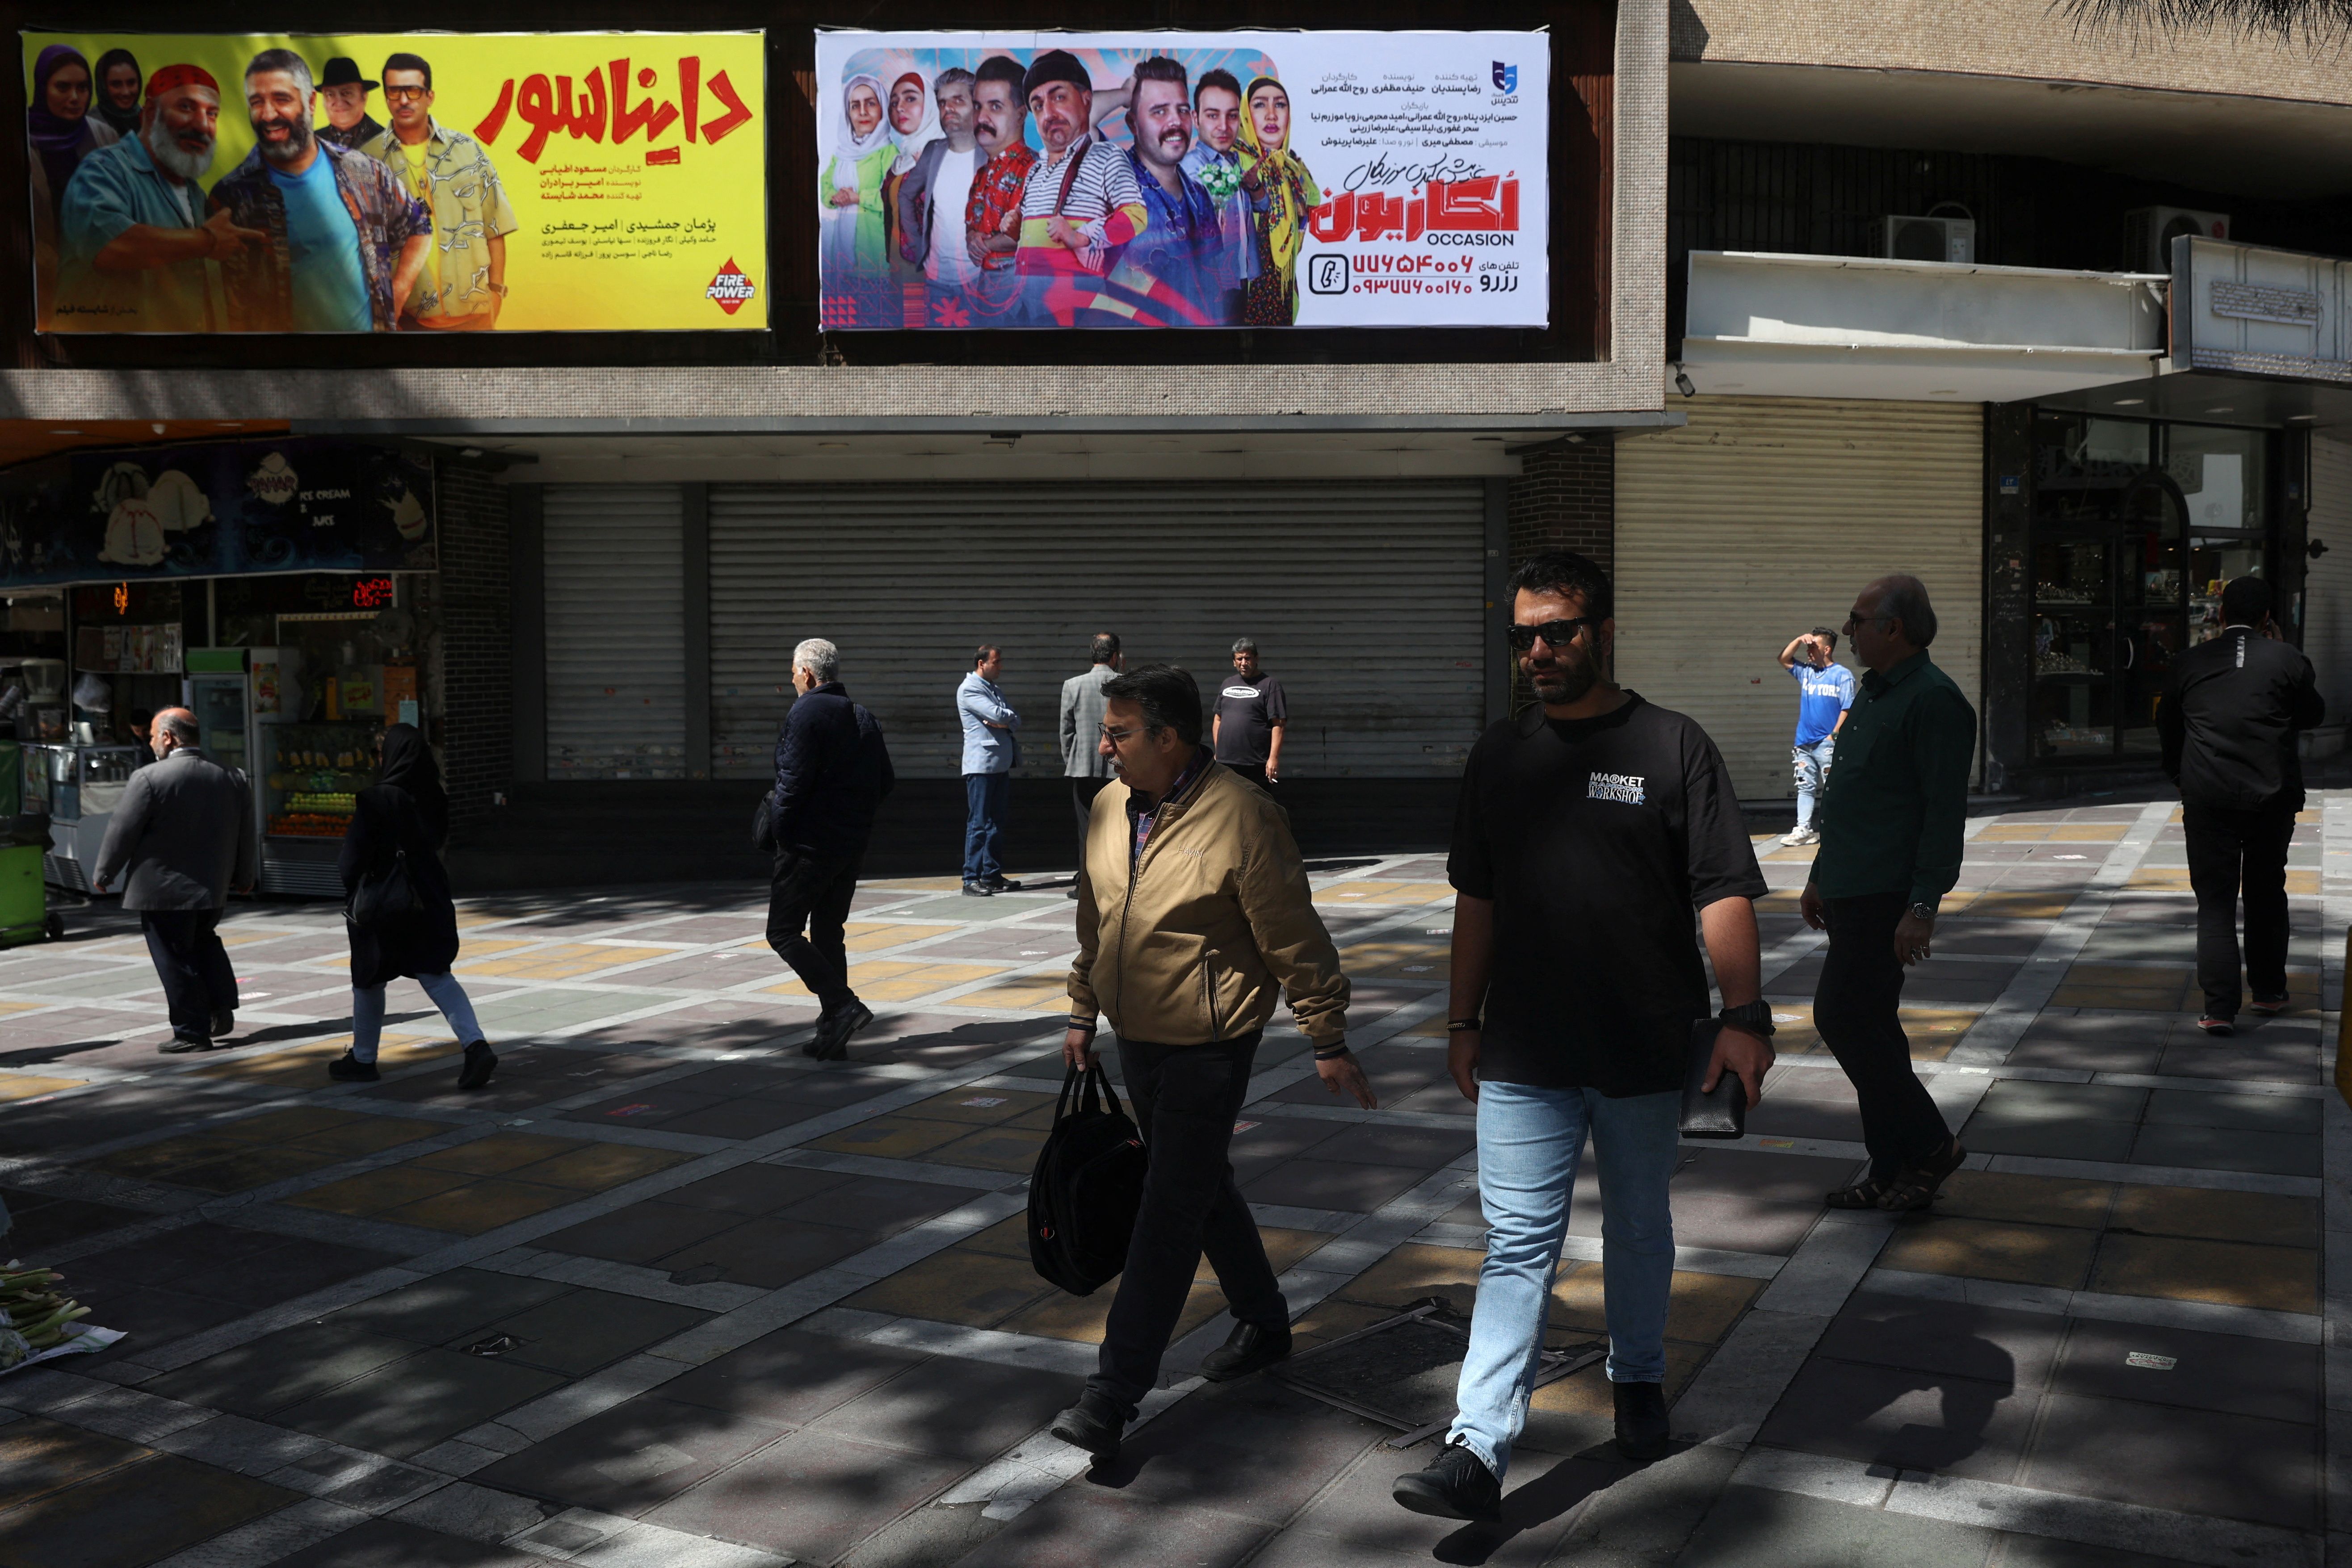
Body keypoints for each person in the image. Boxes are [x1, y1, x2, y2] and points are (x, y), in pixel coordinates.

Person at [1390, 552, 1772, 1522]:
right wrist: (1461, 1020)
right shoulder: (1499, 755)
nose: (1538, 651)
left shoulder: (1671, 744)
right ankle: (1476, 1446)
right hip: (1524, 1047)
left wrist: (1743, 1016)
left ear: (1602, 632)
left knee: (1638, 1227)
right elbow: (1475, 900)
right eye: (1522, 635)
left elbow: (1721, 888)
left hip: (1646, 1044)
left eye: (1556, 631)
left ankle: (1636, 1380)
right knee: (1517, 1243)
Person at [1049, 663, 1373, 1459]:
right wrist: (1081, 1009)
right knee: (1197, 1185)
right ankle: (1263, 1323)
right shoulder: (1106, 807)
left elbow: (1290, 935)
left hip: (1210, 1044)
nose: (1105, 745)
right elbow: (1095, 921)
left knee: (1167, 1210)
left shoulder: (1243, 815)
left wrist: (1324, 1036)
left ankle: (1112, 1393)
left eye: (1120, 733)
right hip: (1137, 1037)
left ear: (1169, 736)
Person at [1801, 575, 1974, 1212]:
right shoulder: (1872, 693)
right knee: (1872, 1025)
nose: (1847, 630)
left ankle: (1932, 1145)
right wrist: (1821, 873)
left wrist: (1922, 906)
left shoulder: (1934, 701)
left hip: (1886, 894)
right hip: (1850, 887)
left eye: (1857, 619)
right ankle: (1892, 1161)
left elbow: (1942, 814)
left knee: (1840, 1016)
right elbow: (1851, 799)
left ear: (1893, 629)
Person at [2157, 575, 2323, 1035]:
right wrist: (2284, 653)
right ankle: (2268, 992)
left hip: (2207, 795)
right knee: (2266, 890)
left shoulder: (2189, 662)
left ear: (2221, 614)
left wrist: (2181, 777)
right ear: (2267, 617)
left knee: (2214, 903)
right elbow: (2313, 715)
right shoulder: (2286, 659)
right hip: (2270, 796)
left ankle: (2218, 1008)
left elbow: (2168, 729)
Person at [209, 50, 430, 333]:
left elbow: (418, 225)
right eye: (257, 102)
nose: (268, 114)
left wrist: (397, 297)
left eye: (281, 99)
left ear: (310, 102)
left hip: (369, 362)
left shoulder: (363, 170)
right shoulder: (231, 197)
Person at [328, 724, 496, 1089]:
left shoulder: (376, 799)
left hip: (384, 903)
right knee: (436, 974)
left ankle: (363, 1058)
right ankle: (476, 1046)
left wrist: (354, 889)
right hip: (428, 897)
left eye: (379, 754)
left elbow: (350, 861)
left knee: (370, 979)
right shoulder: (434, 796)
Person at [91, 709, 256, 1054]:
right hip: (213, 886)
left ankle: (191, 1032)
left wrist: (105, 872)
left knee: (174, 956)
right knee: (204, 942)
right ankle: (219, 1008)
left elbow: (123, 830)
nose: (150, 742)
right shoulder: (233, 776)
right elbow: (246, 833)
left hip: (162, 890)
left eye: (152, 735)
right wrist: (245, 875)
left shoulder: (150, 778)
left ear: (168, 737)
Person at [55, 65, 261, 334]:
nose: (202, 125)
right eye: (187, 107)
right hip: (113, 365)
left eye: (212, 114)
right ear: (151, 113)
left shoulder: (194, 194)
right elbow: (108, 245)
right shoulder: (103, 170)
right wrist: (207, 241)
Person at [767, 638, 896, 1061]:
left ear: (806, 673)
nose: (791, 680)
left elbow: (792, 783)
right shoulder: (862, 715)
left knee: (783, 931)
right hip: (849, 844)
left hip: (807, 846)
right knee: (827, 934)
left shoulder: (805, 713)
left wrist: (782, 833)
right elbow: (886, 782)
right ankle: (833, 1032)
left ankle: (842, 1007)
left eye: (792, 672)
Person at [360, 53, 515, 330]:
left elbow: (495, 227)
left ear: (430, 96)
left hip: (476, 317)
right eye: (395, 92)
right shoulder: (367, 161)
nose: (404, 100)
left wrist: (497, 291)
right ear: (386, 97)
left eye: (413, 91)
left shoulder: (467, 151)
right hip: (407, 321)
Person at [1014, 50, 1146, 327]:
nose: (1048, 113)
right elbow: (1033, 236)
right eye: (1037, 106)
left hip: (1079, 314)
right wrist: (1014, 226)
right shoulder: (1034, 170)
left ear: (1087, 101)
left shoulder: (1106, 157)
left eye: (1059, 97)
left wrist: (1080, 238)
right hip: (1027, 310)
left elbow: (1136, 216)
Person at [1096, 57, 1221, 327]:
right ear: (1133, 124)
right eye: (1160, 111)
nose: (1176, 121)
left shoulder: (1199, 196)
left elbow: (1214, 280)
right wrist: (1123, 95)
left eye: (1183, 110)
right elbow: (1077, 123)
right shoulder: (1111, 181)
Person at [894, 68, 979, 329]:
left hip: (979, 280)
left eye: (958, 100)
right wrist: (920, 244)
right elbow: (905, 196)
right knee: (942, 353)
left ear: (977, 106)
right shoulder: (934, 151)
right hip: (936, 279)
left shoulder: (993, 153)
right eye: (942, 103)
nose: (948, 109)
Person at [1237, 76, 1319, 326]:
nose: (1272, 115)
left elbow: (1310, 209)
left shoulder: (1295, 170)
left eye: (1280, 105)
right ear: (1246, 115)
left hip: (1281, 296)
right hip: (1240, 299)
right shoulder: (1233, 162)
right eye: (1261, 105)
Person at [962, 55, 1037, 326]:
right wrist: (973, 238)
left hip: (1020, 285)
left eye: (995, 107)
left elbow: (1026, 235)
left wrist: (982, 244)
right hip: (986, 283)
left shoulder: (1034, 170)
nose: (982, 118)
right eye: (978, 107)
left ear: (1020, 114)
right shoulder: (983, 173)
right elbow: (972, 224)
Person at [1181, 68, 1258, 324]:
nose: (1224, 127)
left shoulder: (1238, 162)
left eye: (1232, 116)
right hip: (1211, 281)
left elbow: (1263, 207)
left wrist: (1254, 185)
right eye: (1213, 116)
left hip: (1241, 275)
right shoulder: (1192, 168)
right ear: (1196, 118)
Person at [819, 73, 895, 328]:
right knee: (848, 317)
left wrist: (857, 197)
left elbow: (894, 197)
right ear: (848, 112)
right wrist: (835, 196)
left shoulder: (889, 152)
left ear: (882, 108)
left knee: (875, 318)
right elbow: (826, 185)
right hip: (842, 247)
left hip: (874, 249)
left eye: (870, 103)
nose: (863, 111)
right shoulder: (842, 153)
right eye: (855, 105)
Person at [1058, 632, 1123, 896]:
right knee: (1118, 825)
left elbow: (1066, 730)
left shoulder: (1073, 685)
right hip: (1119, 767)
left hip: (1083, 767)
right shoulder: (1124, 683)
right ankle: (1115, 881)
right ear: (1115, 656)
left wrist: (1072, 760)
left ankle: (1085, 884)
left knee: (1087, 827)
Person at [1778, 625, 1855, 846]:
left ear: (1827, 649)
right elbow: (1784, 658)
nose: (1809, 650)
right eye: (1808, 646)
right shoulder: (1807, 672)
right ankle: (1804, 829)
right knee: (1805, 785)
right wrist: (1798, 639)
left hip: (1826, 743)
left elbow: (1848, 708)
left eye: (1814, 646)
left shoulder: (1842, 675)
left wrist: (1834, 736)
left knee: (1833, 786)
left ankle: (1839, 827)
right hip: (1804, 742)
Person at [958, 645, 1021, 896]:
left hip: (1000, 764)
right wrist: (1004, 718)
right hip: (981, 765)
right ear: (981, 664)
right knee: (979, 823)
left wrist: (1004, 719)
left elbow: (1013, 719)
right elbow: (998, 714)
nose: (1000, 666)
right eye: (996, 662)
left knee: (996, 822)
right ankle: (970, 879)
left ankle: (992, 875)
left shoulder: (994, 689)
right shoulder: (969, 689)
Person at [1212, 637, 1286, 788]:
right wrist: (1218, 751)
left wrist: (1273, 758)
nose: (1244, 663)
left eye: (1248, 658)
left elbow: (1278, 725)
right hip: (1226, 762)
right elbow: (1218, 719)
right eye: (1239, 659)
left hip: (1256, 763)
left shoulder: (1270, 685)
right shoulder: (1227, 684)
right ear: (1234, 661)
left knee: (1256, 807)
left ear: (1256, 659)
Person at [314, 56, 382, 151]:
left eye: (346, 93)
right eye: (330, 95)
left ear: (364, 97)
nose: (339, 102)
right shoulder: (311, 142)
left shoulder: (385, 141)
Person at [91, 48, 143, 140]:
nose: (126, 92)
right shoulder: (89, 128)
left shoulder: (151, 122)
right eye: (116, 85)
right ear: (103, 86)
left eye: (131, 83)